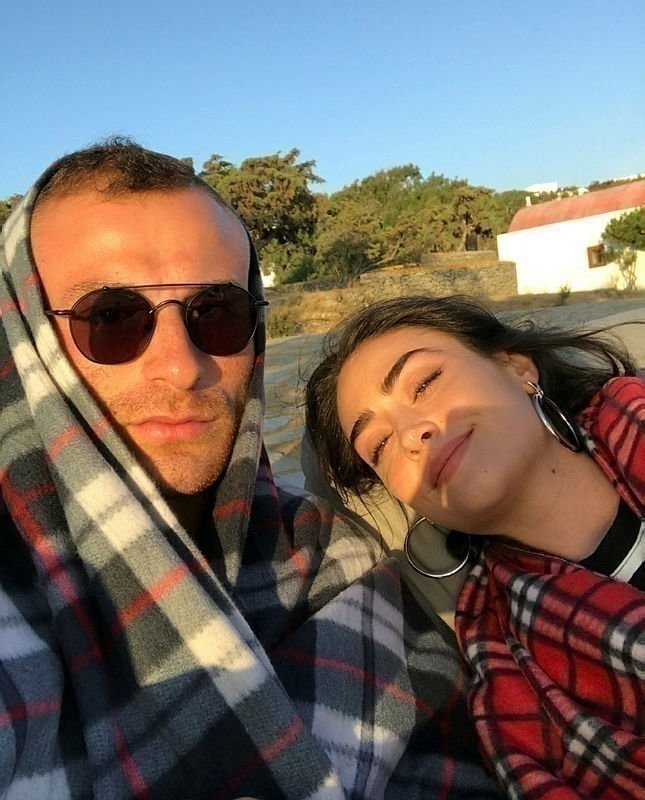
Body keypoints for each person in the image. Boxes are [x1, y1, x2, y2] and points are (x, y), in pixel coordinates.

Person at [0, 140, 504, 799]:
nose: (182, 367)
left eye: (216, 312)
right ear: (27, 340)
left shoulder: (330, 560)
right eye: (113, 317)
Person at [304, 295, 645, 799]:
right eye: (379, 445)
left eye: (425, 382)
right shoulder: (510, 683)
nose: (412, 434)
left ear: (517, 368)